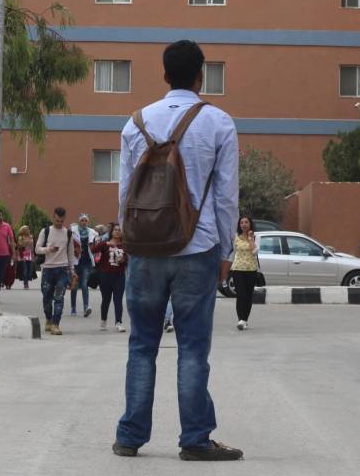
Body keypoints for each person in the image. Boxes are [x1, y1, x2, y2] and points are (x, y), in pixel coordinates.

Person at [113, 41, 242, 461]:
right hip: (198, 248)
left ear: (165, 75)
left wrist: (130, 239)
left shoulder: (136, 123)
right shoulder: (218, 122)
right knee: (192, 349)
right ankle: (195, 440)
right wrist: (226, 252)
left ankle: (130, 436)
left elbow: (125, 193)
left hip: (145, 250)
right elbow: (226, 197)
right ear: (201, 75)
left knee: (141, 346)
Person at [34, 207, 78, 335]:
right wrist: (48, 249)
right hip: (47, 269)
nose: (59, 223)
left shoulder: (68, 234)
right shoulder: (45, 231)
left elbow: (70, 254)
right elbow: (37, 249)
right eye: (57, 220)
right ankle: (48, 319)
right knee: (47, 298)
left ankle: (55, 324)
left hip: (62, 269)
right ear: (53, 217)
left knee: (59, 297)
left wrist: (72, 271)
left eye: (62, 221)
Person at [91, 223, 128, 332]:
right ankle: (103, 320)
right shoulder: (105, 244)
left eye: (119, 230)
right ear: (111, 232)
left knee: (118, 299)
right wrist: (101, 243)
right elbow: (93, 250)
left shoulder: (124, 246)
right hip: (105, 275)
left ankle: (119, 322)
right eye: (115, 229)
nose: (117, 232)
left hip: (119, 276)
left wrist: (123, 260)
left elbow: (128, 260)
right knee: (106, 299)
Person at [231, 216, 259, 331]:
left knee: (248, 296)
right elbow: (232, 253)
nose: (244, 224)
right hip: (238, 270)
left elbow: (255, 252)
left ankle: (245, 320)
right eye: (241, 222)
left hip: (251, 270)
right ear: (239, 225)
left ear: (250, 224)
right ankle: (241, 320)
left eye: (246, 222)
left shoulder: (256, 237)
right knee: (241, 295)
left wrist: (250, 239)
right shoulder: (235, 237)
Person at [71, 213, 98, 317]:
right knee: (74, 285)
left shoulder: (92, 232)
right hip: (75, 261)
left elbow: (95, 245)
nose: (84, 222)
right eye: (82, 220)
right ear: (79, 221)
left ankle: (86, 307)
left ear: (88, 222)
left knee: (84, 284)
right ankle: (73, 308)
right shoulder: (72, 231)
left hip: (86, 262)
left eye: (86, 220)